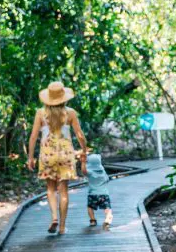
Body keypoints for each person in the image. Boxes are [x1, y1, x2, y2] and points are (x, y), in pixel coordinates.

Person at [27, 81, 89, 235]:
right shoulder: (71, 113)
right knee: (64, 191)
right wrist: (84, 150)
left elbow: (33, 136)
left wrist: (30, 157)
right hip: (65, 154)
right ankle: (62, 227)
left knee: (50, 188)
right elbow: (80, 135)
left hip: (47, 154)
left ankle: (54, 217)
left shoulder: (41, 113)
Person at [82, 153, 113, 230]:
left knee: (90, 207)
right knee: (107, 208)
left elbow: (84, 171)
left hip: (92, 194)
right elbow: (107, 179)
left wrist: (83, 162)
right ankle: (108, 217)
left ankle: (92, 220)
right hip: (104, 194)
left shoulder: (90, 172)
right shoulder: (103, 172)